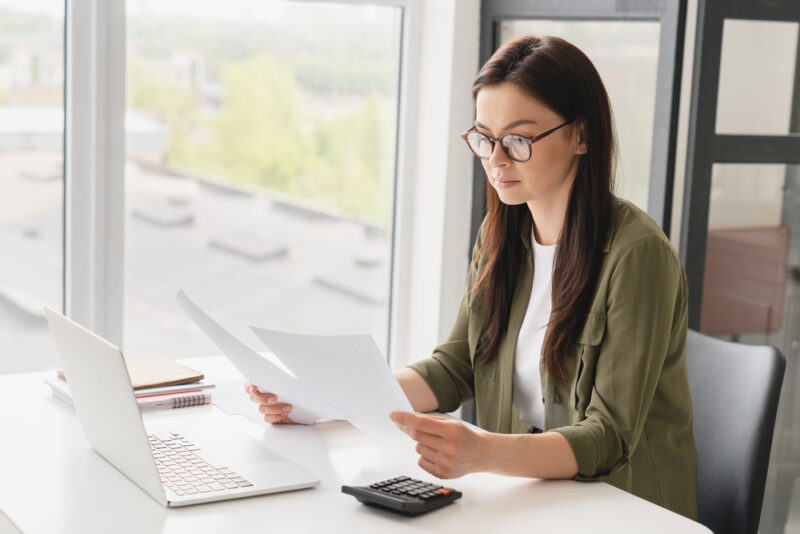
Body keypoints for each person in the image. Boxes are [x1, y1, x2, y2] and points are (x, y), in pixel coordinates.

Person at [246, 35, 697, 519]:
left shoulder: (637, 256)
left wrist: (483, 451)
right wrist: (320, 398)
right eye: (485, 138)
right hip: (535, 498)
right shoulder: (503, 232)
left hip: (626, 509)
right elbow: (455, 367)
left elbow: (608, 437)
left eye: (519, 140)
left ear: (580, 135)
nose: (496, 160)